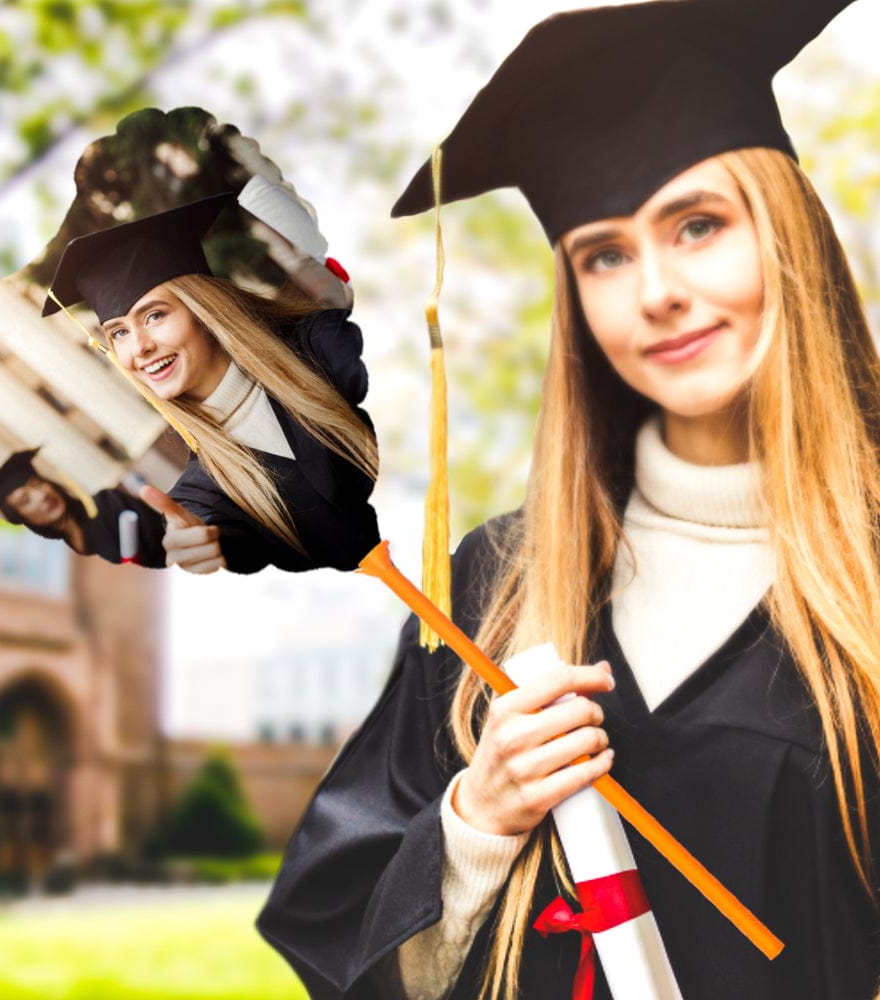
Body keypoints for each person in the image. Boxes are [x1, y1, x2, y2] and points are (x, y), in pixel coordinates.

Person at [258, 1, 880, 998]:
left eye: (698, 226)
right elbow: (346, 940)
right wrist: (475, 824)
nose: (656, 291)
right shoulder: (492, 585)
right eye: (605, 255)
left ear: (787, 236)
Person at [42, 192, 380, 575]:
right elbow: (220, 536)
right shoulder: (203, 492)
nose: (139, 347)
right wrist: (206, 545)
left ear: (204, 309)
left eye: (154, 316)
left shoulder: (326, 348)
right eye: (119, 333)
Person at [0, 449, 167, 567]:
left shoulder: (110, 505)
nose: (42, 495)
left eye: (38, 483)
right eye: (25, 500)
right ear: (22, 519)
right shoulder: (55, 560)